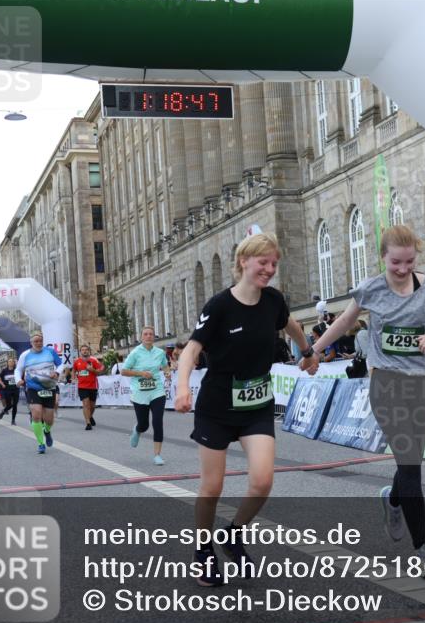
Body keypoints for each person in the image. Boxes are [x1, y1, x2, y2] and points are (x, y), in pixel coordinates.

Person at [303, 224, 425, 574]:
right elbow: (343, 323)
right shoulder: (371, 288)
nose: (403, 269)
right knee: (410, 465)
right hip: (387, 384)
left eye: (409, 262)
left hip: (422, 384)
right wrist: (312, 350)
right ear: (383, 258)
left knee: (410, 465)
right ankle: (423, 549)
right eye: (395, 263)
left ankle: (392, 499)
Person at [175, 232, 312, 587]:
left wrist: (307, 351)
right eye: (262, 262)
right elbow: (191, 351)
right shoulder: (220, 305)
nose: (269, 269)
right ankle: (203, 549)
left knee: (263, 480)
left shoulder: (273, 301)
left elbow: (291, 324)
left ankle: (233, 534)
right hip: (217, 405)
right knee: (211, 488)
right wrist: (182, 387)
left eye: (273, 264)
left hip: (256, 404)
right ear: (243, 262)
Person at [122, 327, 172, 465]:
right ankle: (137, 429)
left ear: (154, 337)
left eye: (151, 334)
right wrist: (141, 374)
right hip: (140, 392)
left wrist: (167, 372)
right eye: (146, 334)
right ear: (141, 337)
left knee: (157, 421)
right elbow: (124, 371)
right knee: (144, 425)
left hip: (157, 391)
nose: (148, 336)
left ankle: (157, 455)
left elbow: (165, 366)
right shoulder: (135, 353)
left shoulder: (160, 352)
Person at [15, 332, 64, 454]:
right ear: (31, 343)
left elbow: (61, 364)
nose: (38, 343)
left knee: (49, 419)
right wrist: (18, 380)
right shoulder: (25, 355)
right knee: (36, 413)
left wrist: (57, 373)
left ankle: (47, 430)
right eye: (35, 341)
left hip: (49, 387)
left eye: (40, 341)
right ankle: (40, 443)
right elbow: (18, 369)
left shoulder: (50, 351)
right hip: (33, 387)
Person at [73, 345, 104, 430]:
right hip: (82, 386)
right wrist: (73, 378)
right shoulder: (77, 361)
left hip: (93, 386)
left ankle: (90, 416)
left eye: (86, 350)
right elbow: (74, 370)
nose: (85, 351)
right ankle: (88, 423)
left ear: (89, 351)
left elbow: (100, 370)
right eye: (83, 350)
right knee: (86, 404)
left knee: (92, 406)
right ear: (80, 352)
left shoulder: (94, 360)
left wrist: (92, 370)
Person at [0, 356, 20, 424]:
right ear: (7, 363)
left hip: (15, 389)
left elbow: (20, 378)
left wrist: (19, 382)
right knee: (9, 405)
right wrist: (2, 384)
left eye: (12, 361)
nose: (11, 363)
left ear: (14, 363)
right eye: (9, 361)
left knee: (15, 405)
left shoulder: (16, 370)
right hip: (7, 389)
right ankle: (4, 411)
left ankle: (13, 420)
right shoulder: (4, 370)